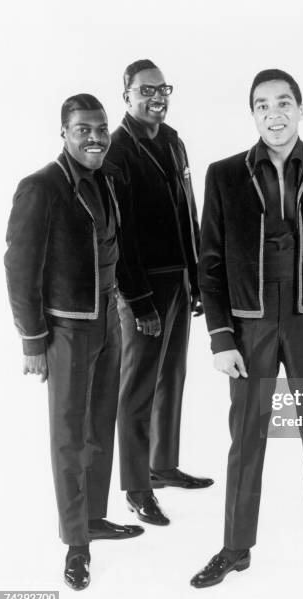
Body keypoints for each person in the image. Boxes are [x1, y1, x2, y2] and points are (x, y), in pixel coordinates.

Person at [191, 69, 303, 588]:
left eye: (284, 102)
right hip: (249, 327)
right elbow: (211, 263)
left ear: (301, 108)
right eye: (263, 105)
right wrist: (221, 337)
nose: (275, 113)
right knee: (246, 438)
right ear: (253, 114)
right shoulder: (224, 175)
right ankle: (234, 548)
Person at [4, 94, 145, 591]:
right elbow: (19, 269)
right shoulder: (41, 187)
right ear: (63, 132)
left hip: (108, 318)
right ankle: (75, 543)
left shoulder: (107, 179)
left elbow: (114, 249)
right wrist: (32, 340)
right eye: (83, 129)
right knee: (68, 435)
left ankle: (94, 518)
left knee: (99, 424)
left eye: (102, 128)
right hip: (65, 329)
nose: (95, 137)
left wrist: (131, 304)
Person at [107, 59, 213, 527]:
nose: (157, 97)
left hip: (180, 279)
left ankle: (163, 464)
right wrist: (139, 300)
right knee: (138, 387)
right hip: (142, 288)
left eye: (163, 89)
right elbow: (120, 235)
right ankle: (135, 486)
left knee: (173, 377)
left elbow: (189, 214)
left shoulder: (173, 141)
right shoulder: (116, 151)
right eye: (146, 90)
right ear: (126, 94)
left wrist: (198, 278)